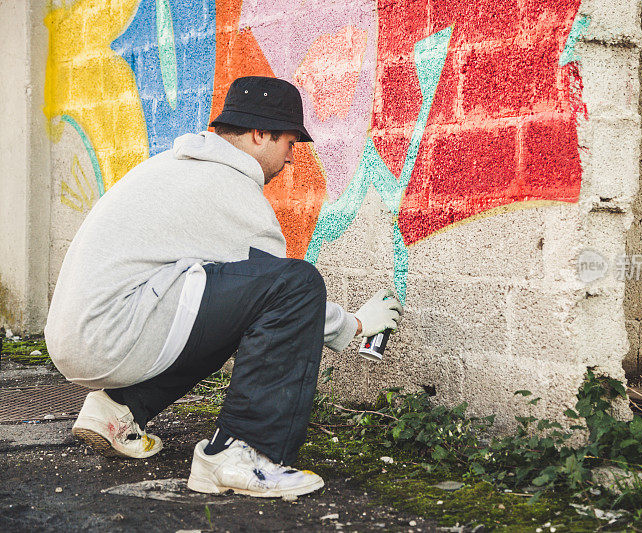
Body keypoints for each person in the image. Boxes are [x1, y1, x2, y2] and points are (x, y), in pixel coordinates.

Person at [44, 76, 403, 498]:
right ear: (259, 134)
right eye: (290, 143)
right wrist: (357, 324)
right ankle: (239, 453)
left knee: (223, 303)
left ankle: (117, 408)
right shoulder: (232, 192)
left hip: (86, 334)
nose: (291, 159)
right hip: (112, 336)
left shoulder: (172, 166)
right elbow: (284, 294)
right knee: (297, 283)